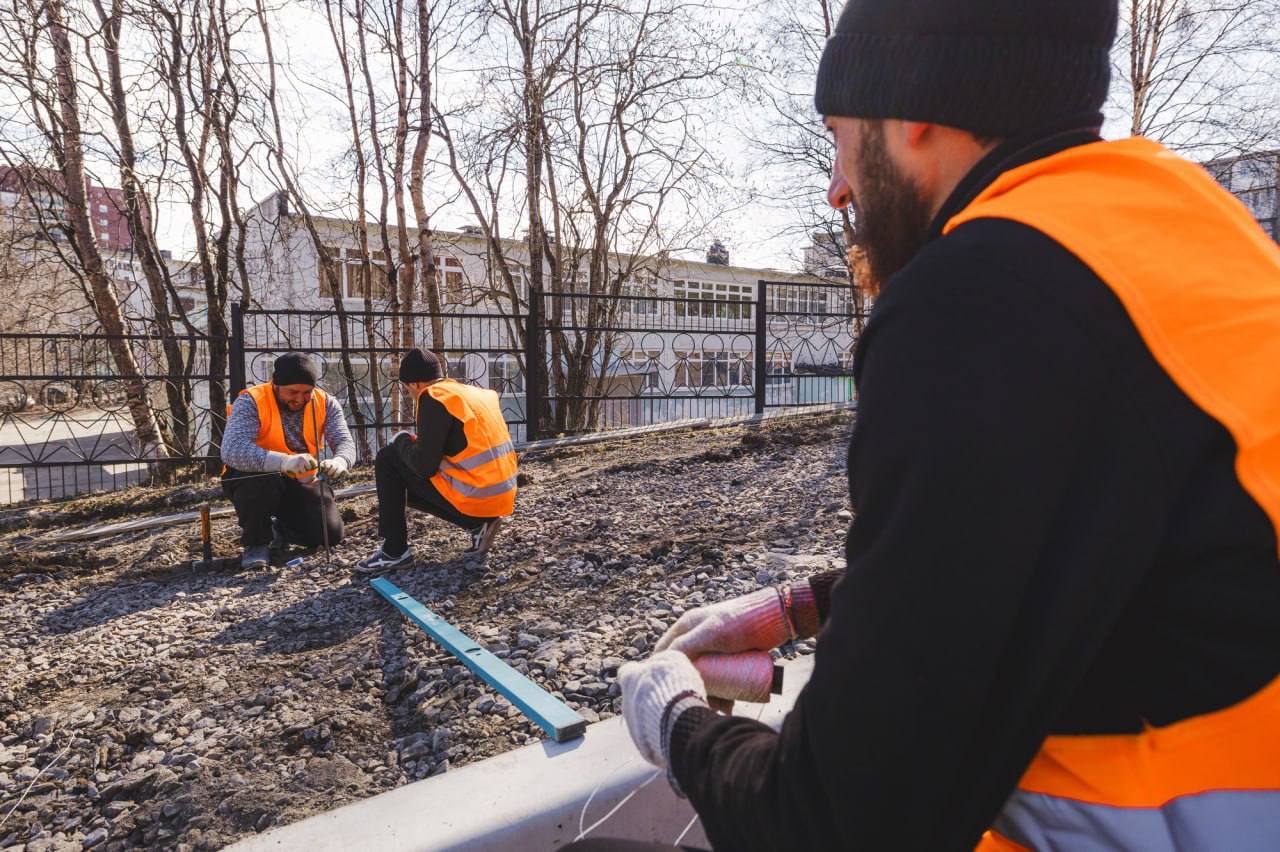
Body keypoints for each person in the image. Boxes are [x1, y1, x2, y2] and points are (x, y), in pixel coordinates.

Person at [599, 0, 1280, 850]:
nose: (837, 186)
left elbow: (832, 825)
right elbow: (1097, 543)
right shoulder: (1184, 223)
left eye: (843, 137)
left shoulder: (980, 296)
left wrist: (676, 727)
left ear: (914, 110)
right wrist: (805, 606)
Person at [355, 348, 517, 573]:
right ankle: (479, 525)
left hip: (478, 496)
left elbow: (424, 467)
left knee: (388, 459)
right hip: (501, 495)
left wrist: (401, 440)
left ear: (414, 384)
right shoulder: (471, 393)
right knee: (403, 463)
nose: (409, 394)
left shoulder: (433, 397)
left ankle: (394, 551)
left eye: (407, 389)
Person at [221, 352, 355, 569]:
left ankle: (281, 529)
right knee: (262, 482)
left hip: (300, 479)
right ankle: (256, 542)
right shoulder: (251, 400)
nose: (299, 399)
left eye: (306, 392)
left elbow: (345, 442)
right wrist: (282, 462)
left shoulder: (326, 402)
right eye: (292, 392)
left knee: (330, 534)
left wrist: (341, 461)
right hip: (254, 478)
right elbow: (233, 449)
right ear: (275, 384)